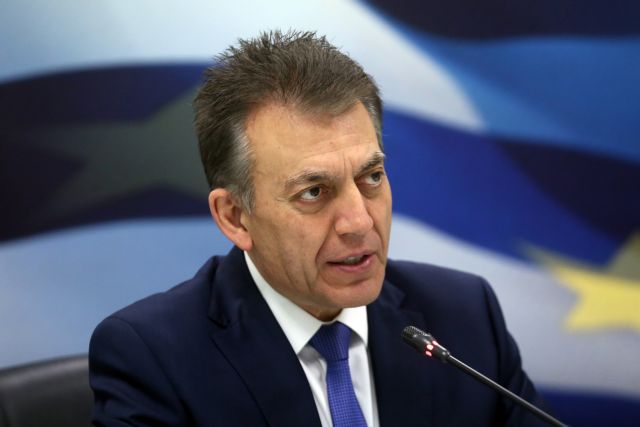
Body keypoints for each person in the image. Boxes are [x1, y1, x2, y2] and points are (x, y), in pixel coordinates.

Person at [89, 30, 549, 426]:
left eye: (371, 177)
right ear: (234, 216)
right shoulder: (153, 359)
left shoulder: (465, 318)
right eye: (313, 192)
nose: (359, 221)